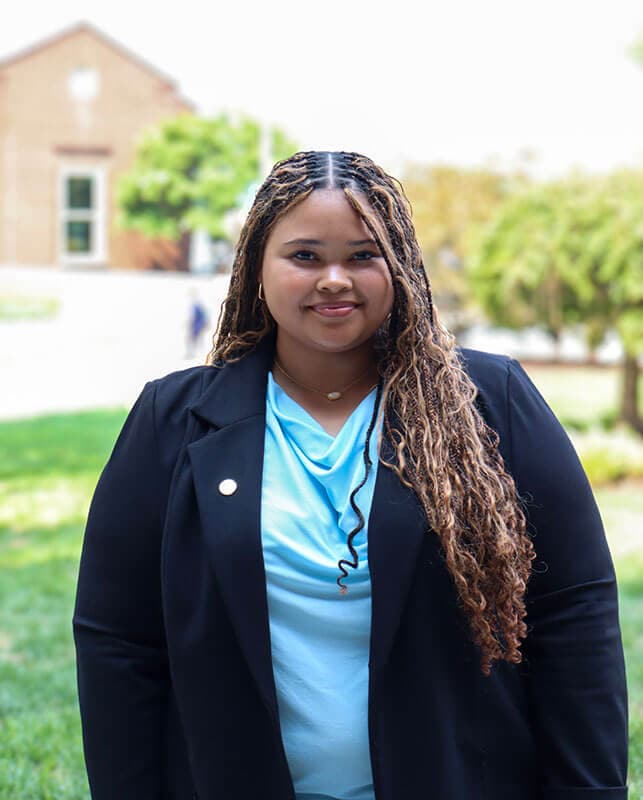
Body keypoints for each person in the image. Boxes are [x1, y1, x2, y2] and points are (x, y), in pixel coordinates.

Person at [73, 151, 628, 800]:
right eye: (304, 256)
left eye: (363, 255)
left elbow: (573, 611)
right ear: (256, 269)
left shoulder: (490, 401)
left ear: (401, 267)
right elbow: (119, 641)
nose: (334, 279)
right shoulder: (171, 422)